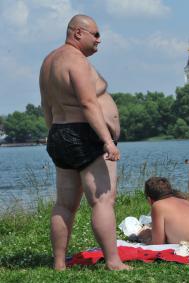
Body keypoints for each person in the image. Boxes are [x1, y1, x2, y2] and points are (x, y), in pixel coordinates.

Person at [39, 14, 129, 270]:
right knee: (102, 200)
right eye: (96, 34)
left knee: (64, 203)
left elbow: (46, 105)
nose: (100, 40)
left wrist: (54, 133)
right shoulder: (75, 60)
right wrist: (107, 141)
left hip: (60, 132)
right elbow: (89, 104)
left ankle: (59, 263)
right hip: (84, 134)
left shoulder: (48, 61)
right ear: (78, 33)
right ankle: (113, 261)